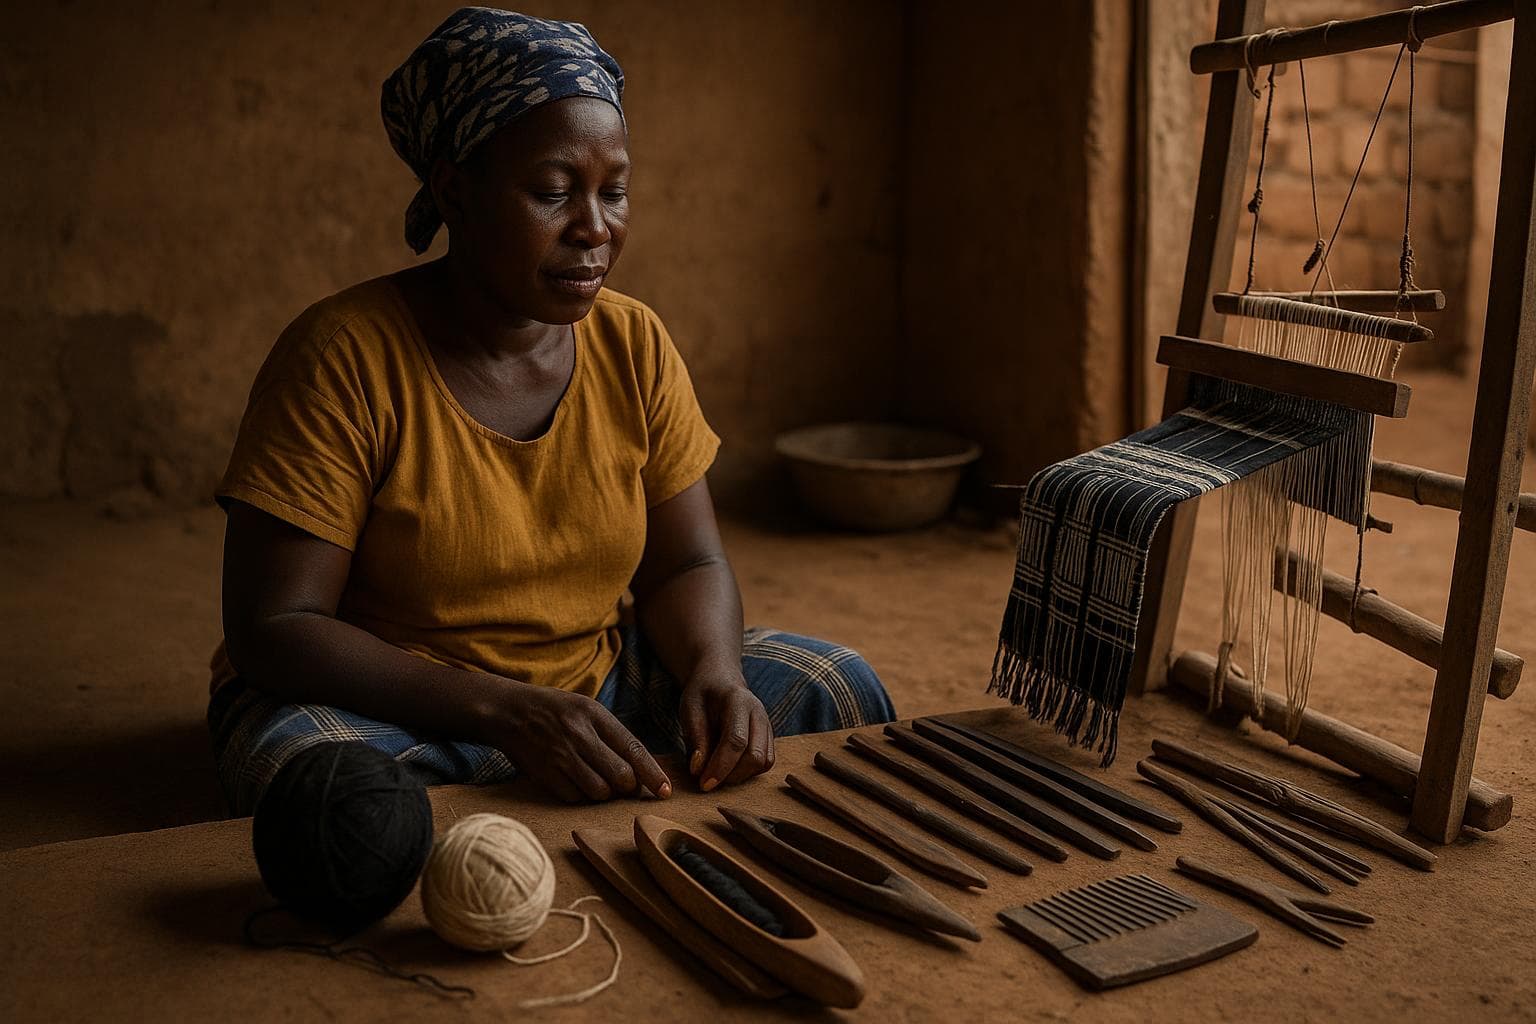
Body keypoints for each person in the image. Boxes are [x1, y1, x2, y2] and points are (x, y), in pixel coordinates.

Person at [208, 9, 896, 815]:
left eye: (615, 192)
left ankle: (513, 803)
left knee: (835, 691)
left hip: (594, 686)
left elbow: (686, 566)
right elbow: (276, 625)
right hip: (401, 707)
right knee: (324, 789)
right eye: (553, 192)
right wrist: (504, 711)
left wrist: (716, 672)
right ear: (455, 190)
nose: (595, 228)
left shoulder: (632, 341)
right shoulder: (343, 356)